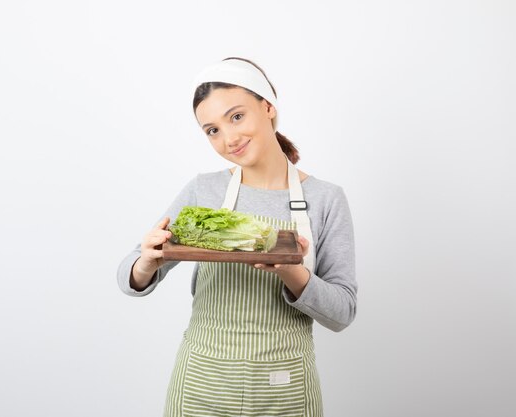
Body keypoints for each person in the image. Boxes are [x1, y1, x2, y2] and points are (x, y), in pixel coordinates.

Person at [117, 57, 357, 417]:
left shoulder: (325, 198)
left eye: (237, 116)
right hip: (202, 383)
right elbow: (128, 277)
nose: (229, 138)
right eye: (212, 130)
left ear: (268, 106)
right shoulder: (203, 190)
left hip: (284, 386)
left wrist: (291, 271)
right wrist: (147, 262)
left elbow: (342, 313)